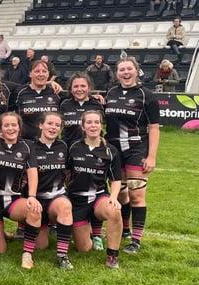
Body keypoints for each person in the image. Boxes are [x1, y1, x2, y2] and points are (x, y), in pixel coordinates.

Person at [104, 57, 160, 254]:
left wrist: (151, 156)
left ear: (137, 71)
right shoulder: (110, 92)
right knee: (120, 193)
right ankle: (124, 230)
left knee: (136, 195)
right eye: (121, 70)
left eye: (129, 69)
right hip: (114, 150)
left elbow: (153, 128)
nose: (125, 73)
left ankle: (135, 241)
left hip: (136, 149)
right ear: (117, 73)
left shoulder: (147, 96)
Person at [0, 112, 41, 270]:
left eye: (14, 125)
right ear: (0, 128)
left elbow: (32, 172)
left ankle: (27, 254)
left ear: (19, 127)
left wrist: (32, 196)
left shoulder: (28, 145)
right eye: (6, 125)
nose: (10, 128)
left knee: (34, 211)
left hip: (13, 200)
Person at [68, 110, 123, 269]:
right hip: (77, 201)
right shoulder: (73, 147)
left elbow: (116, 179)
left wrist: (113, 197)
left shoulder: (110, 151)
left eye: (96, 122)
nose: (93, 125)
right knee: (83, 248)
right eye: (89, 122)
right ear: (83, 126)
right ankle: (91, 233)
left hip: (98, 197)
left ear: (101, 125)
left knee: (114, 211)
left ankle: (112, 255)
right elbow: (65, 173)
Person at [29, 112, 74, 270]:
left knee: (65, 207)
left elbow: (69, 172)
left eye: (57, 125)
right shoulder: (30, 146)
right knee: (41, 246)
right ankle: (40, 226)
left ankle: (62, 255)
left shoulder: (64, 146)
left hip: (56, 196)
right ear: (41, 125)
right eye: (50, 123)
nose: (53, 127)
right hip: (37, 200)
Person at [11, 59, 61, 140]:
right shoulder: (19, 92)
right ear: (30, 74)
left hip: (50, 143)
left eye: (44, 71)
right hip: (25, 142)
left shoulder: (56, 92)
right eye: (37, 71)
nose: (41, 74)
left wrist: (50, 83)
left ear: (48, 74)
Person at [59, 72, 104, 147]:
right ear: (71, 89)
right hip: (70, 149)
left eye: (83, 86)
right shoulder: (64, 105)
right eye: (76, 86)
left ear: (89, 88)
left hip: (93, 149)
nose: (79, 89)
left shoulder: (98, 104)